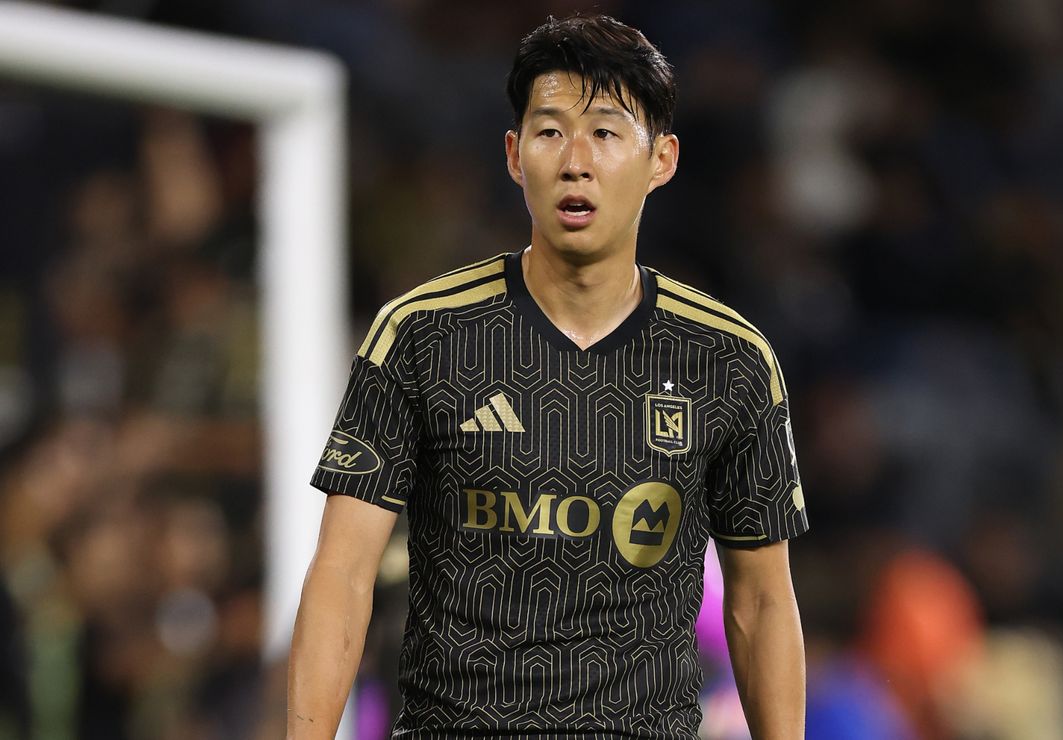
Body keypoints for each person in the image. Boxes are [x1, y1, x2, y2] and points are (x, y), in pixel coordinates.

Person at [287, 13, 808, 740]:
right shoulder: (420, 336)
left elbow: (761, 603)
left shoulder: (729, 360)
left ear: (661, 160)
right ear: (513, 153)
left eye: (606, 133)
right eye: (550, 131)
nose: (575, 161)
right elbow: (342, 575)